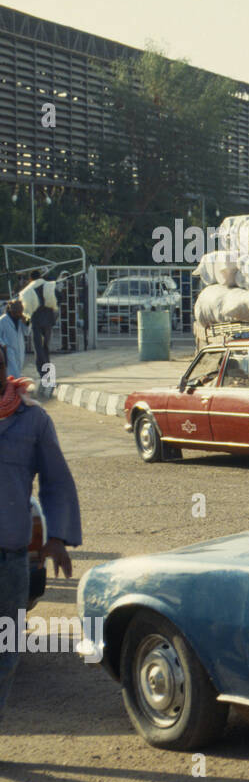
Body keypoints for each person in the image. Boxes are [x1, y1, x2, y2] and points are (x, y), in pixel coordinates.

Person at [0, 371, 82, 722]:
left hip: (12, 562)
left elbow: (56, 481)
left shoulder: (32, 419)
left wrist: (57, 537)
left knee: (6, 654)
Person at [19, 277, 57, 396]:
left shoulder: (29, 289)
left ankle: (43, 374)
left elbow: (25, 307)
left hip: (36, 322)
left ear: (31, 278)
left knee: (38, 349)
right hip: (48, 322)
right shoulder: (49, 286)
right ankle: (48, 375)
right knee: (46, 348)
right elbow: (57, 300)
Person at [0, 299, 23, 380]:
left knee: (18, 369)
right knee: (12, 372)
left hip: (20, 348)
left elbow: (27, 332)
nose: (18, 314)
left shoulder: (21, 319)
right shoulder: (3, 320)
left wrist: (27, 320)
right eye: (16, 312)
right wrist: (3, 345)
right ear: (12, 311)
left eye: (20, 312)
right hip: (8, 349)